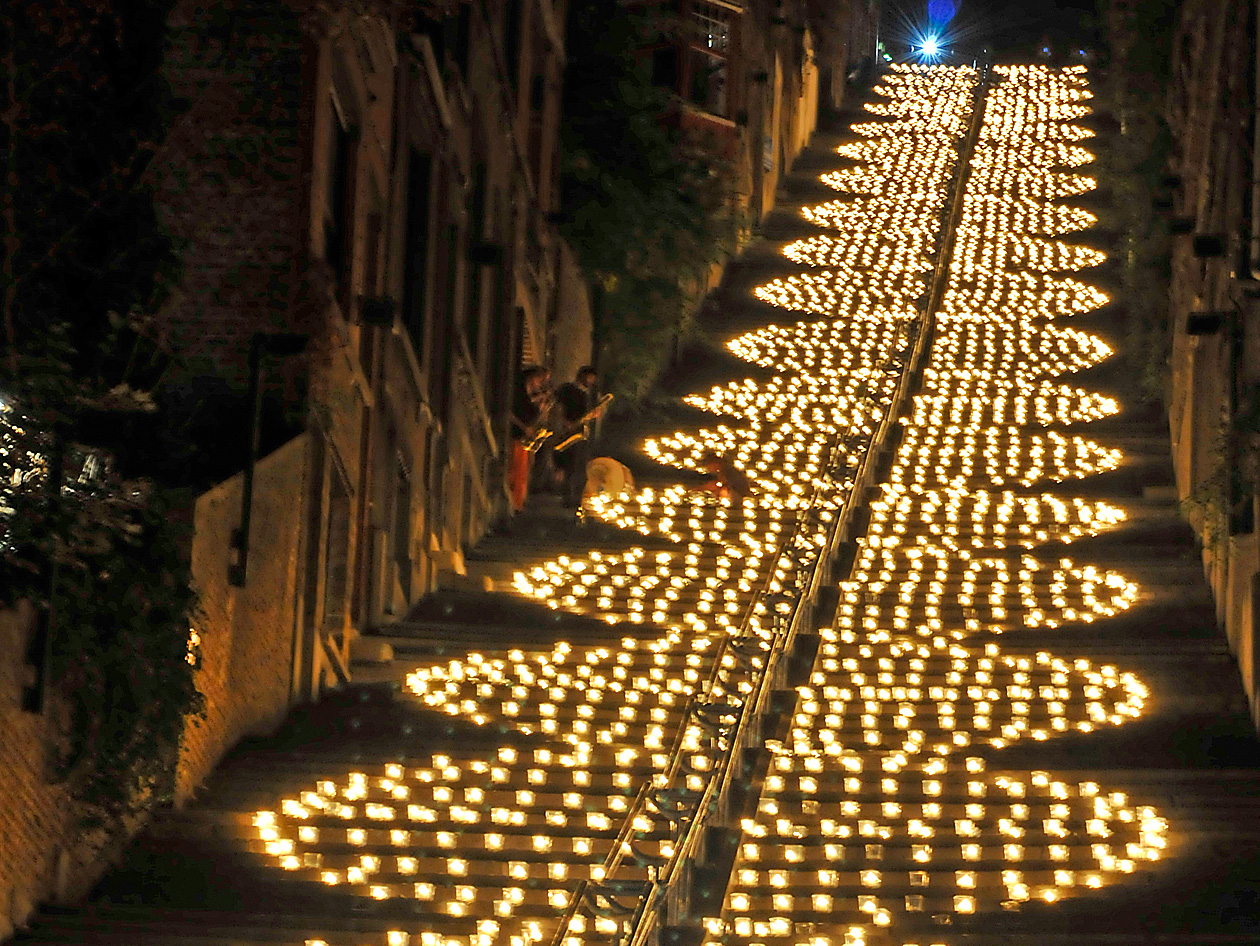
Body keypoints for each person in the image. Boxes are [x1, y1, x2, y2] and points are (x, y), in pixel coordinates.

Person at [553, 366, 606, 508]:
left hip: (580, 434)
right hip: (566, 431)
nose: (592, 381)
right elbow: (556, 406)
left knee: (578, 465)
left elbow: (587, 414)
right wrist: (564, 422)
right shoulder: (567, 390)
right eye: (590, 377)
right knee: (565, 463)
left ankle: (575, 498)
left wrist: (594, 415)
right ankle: (565, 495)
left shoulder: (588, 396)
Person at [508, 365, 553, 511]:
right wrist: (524, 427)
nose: (539, 384)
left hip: (525, 437)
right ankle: (514, 503)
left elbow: (534, 415)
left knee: (524, 471)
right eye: (540, 380)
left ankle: (519, 502)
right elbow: (510, 412)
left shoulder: (533, 395)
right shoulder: (518, 391)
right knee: (515, 471)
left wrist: (542, 405)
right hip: (516, 434)